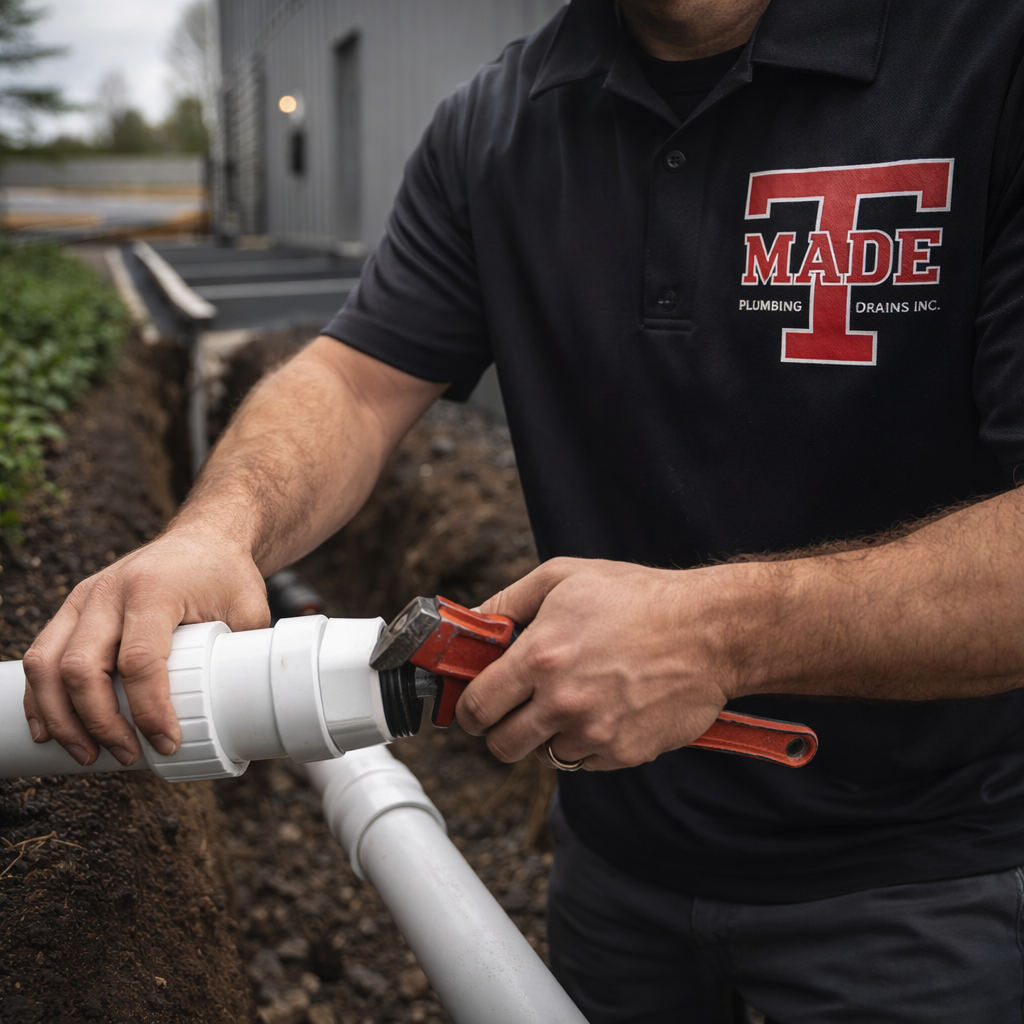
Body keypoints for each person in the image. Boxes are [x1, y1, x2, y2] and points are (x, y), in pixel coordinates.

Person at [22, 0, 1024, 1020]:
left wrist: (717, 634)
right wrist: (214, 531)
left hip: (932, 883)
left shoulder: (984, 58)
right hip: (613, 860)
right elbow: (356, 382)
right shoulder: (499, 120)